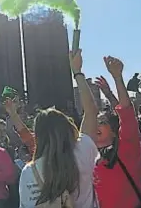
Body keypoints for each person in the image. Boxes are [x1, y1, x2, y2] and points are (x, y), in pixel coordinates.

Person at [18, 49, 100, 208]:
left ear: (39, 136)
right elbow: (91, 110)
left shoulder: (29, 172)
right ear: (67, 126)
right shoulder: (83, 149)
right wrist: (77, 72)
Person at [92, 56, 141, 208]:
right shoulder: (90, 156)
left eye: (101, 123)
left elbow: (126, 114)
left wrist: (117, 78)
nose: (96, 126)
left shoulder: (127, 149)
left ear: (115, 131)